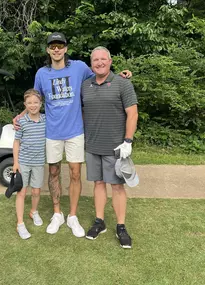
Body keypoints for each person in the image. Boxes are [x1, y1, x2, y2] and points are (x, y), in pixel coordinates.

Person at [13, 32, 132, 237]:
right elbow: (34, 100)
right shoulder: (42, 73)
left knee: (76, 173)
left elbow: (101, 75)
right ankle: (58, 213)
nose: (56, 49)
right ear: (48, 50)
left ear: (66, 48)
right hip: (52, 132)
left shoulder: (79, 68)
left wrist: (121, 75)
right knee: (53, 173)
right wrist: (20, 116)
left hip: (76, 131)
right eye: (53, 46)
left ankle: (73, 216)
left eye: (60, 45)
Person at [81, 46, 138, 248]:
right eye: (95, 60)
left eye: (103, 59)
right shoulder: (85, 85)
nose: (99, 63)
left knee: (117, 186)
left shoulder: (122, 83)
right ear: (91, 63)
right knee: (97, 183)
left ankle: (121, 226)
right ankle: (99, 221)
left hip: (116, 147)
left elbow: (132, 113)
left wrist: (128, 141)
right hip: (92, 145)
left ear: (110, 61)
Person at [13, 88, 46, 240]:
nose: (33, 105)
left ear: (41, 103)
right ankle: (20, 223)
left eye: (36, 102)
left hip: (39, 163)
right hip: (24, 163)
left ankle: (33, 211)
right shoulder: (21, 122)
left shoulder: (46, 120)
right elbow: (16, 143)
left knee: (36, 192)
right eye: (29, 103)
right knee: (22, 192)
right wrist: (15, 163)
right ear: (25, 104)